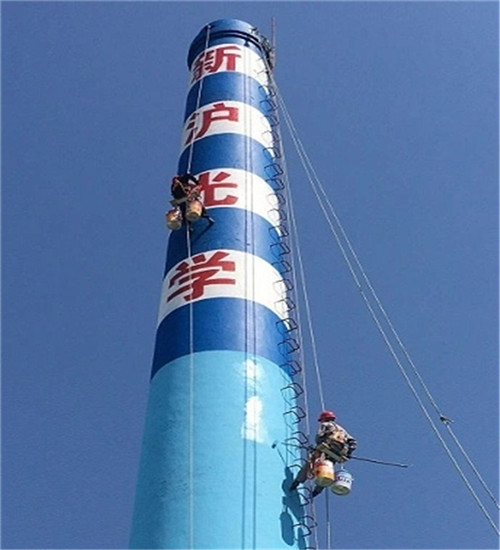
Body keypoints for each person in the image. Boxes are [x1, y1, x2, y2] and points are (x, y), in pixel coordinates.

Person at [290, 410, 357, 497]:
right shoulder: (342, 430)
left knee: (309, 466)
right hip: (337, 453)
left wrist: (317, 446)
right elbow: (353, 442)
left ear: (324, 419)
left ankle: (297, 482)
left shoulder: (325, 425)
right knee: (326, 470)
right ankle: (317, 491)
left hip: (325, 448)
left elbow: (319, 436)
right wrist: (349, 453)